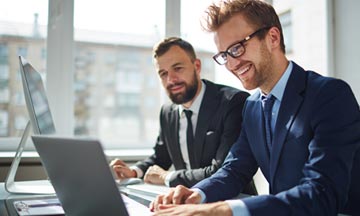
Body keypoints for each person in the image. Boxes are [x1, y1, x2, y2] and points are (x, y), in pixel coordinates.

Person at [150, 0, 360, 215]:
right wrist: (197, 195)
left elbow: (322, 193)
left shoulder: (330, 95)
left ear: (273, 38)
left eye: (237, 48)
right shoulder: (252, 107)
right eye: (224, 55)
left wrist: (224, 210)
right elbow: (235, 169)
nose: (231, 65)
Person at [110, 37, 256, 195]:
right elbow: (161, 157)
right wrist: (134, 171)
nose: (171, 79)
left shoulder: (232, 103)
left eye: (178, 68)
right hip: (185, 203)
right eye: (163, 73)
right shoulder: (167, 112)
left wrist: (168, 177)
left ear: (197, 66)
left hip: (231, 202)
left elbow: (221, 172)